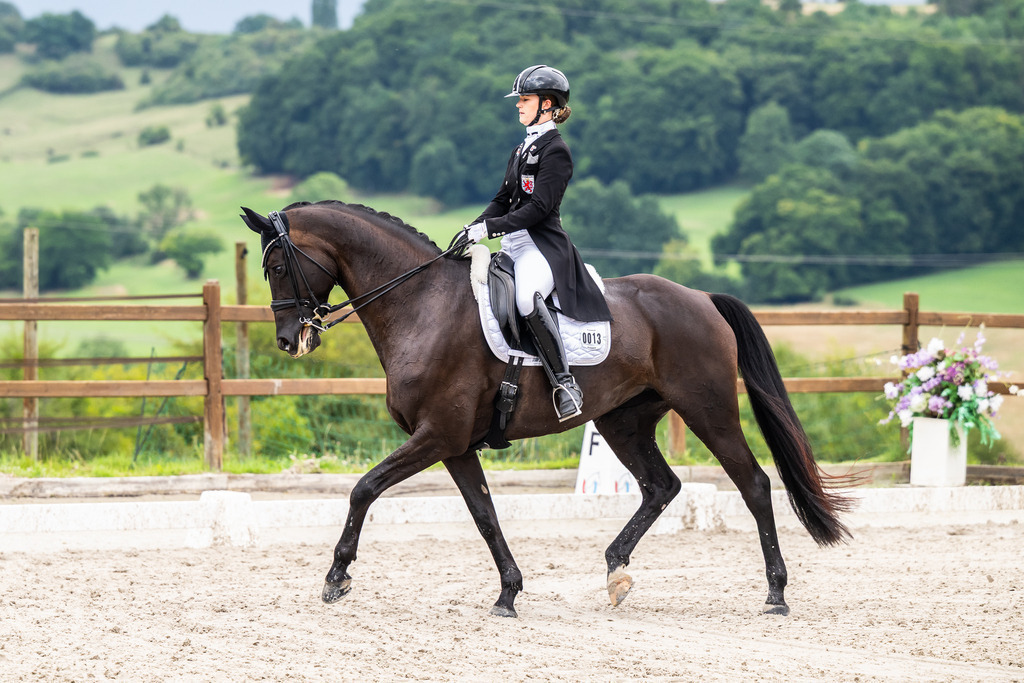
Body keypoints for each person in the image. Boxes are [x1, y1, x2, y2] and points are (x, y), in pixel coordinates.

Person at [461, 64, 612, 422]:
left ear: (547, 104)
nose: (518, 104)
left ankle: (565, 383)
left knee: (527, 297)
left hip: (541, 247)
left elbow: (539, 209)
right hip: (512, 244)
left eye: (525, 99)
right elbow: (502, 199)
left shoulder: (556, 150)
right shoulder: (521, 149)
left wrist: (490, 229)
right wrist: (474, 226)